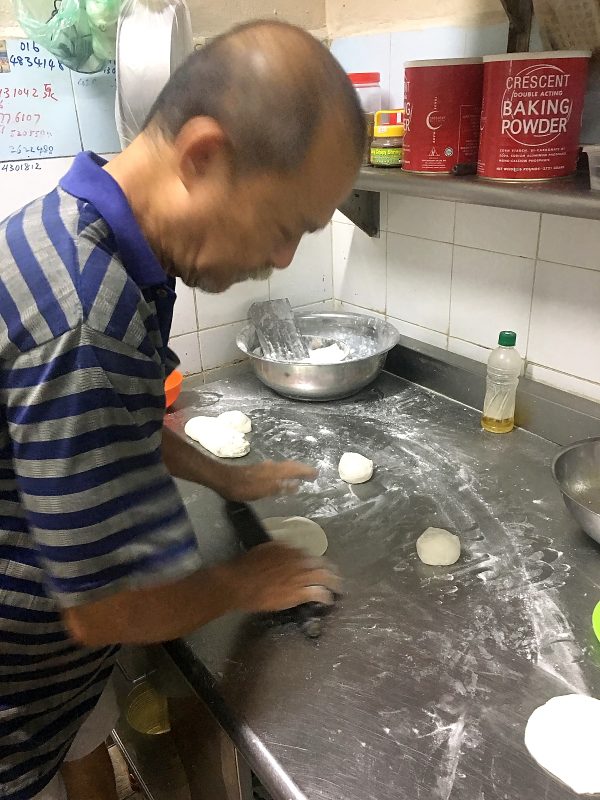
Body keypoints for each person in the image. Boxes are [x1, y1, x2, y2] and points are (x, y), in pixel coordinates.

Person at [0, 19, 364, 800]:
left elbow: (115, 422)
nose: (281, 260)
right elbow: (100, 613)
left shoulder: (93, 236)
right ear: (202, 157)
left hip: (58, 684)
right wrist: (244, 582)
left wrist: (222, 477)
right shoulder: (89, 318)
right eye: (284, 225)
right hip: (14, 707)